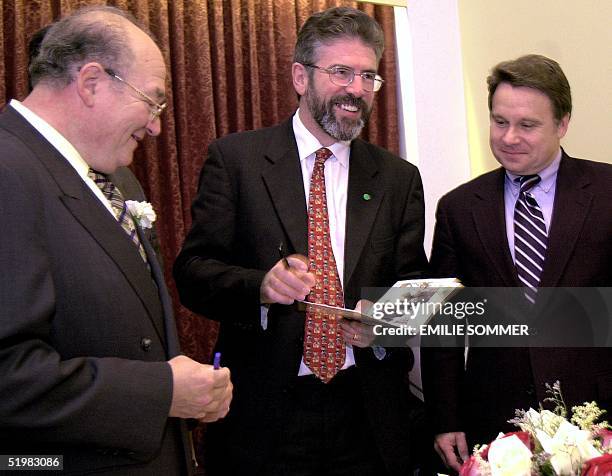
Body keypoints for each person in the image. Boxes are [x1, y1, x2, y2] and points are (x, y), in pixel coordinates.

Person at [174, 6, 427, 475]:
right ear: (299, 76)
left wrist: (387, 320)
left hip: (369, 414)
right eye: (341, 72)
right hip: (266, 415)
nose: (356, 89)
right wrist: (261, 288)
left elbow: (415, 282)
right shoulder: (237, 161)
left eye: (368, 76)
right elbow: (193, 272)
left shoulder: (397, 177)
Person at [0, 6, 232, 475]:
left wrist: (183, 390)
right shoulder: (8, 171)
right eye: (152, 102)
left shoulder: (119, 181)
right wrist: (161, 391)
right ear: (90, 82)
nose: (156, 126)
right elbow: (9, 376)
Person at [421, 54, 612, 473]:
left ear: (562, 124)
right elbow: (443, 321)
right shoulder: (458, 208)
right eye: (499, 121)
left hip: (597, 420)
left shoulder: (606, 193)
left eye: (527, 125)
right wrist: (446, 417)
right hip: (495, 425)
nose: (509, 137)